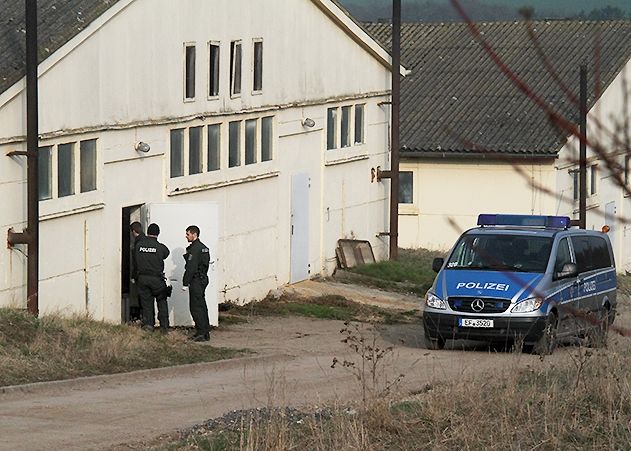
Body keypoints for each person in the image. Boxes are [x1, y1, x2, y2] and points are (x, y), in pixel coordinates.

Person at [135, 223, 170, 333]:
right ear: (158, 233)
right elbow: (166, 253)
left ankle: (149, 325)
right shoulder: (160, 247)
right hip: (157, 280)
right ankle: (164, 327)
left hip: (143, 278)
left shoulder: (139, 245)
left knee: (146, 303)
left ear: (148, 232)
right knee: (162, 302)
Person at [183, 225, 211, 341]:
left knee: (196, 307)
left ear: (194, 235)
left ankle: (201, 332)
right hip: (202, 278)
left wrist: (185, 282)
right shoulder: (203, 247)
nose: (186, 236)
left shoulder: (195, 249)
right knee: (202, 306)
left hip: (196, 280)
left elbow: (191, 267)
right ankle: (205, 332)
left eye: (188, 234)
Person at [129, 221, 145, 321]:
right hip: (151, 274)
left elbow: (136, 262)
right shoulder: (146, 240)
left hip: (141, 275)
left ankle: (142, 319)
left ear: (133, 231)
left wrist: (133, 276)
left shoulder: (138, 243)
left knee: (142, 297)